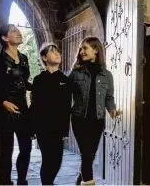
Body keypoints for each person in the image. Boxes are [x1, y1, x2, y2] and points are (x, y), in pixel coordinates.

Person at [69, 37, 121, 185]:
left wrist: (112, 110)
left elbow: (109, 98)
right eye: (81, 49)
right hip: (79, 119)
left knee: (90, 155)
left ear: (96, 50)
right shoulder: (76, 73)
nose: (81, 52)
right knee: (86, 154)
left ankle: (81, 178)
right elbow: (65, 95)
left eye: (85, 48)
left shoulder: (107, 75)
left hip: (98, 120)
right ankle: (88, 182)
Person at [0, 24, 32, 185]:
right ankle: (5, 183)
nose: (19, 32)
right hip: (5, 111)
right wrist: (3, 102)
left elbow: (24, 82)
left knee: (26, 148)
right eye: (14, 31)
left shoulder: (24, 58)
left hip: (22, 109)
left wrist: (42, 87)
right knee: (7, 151)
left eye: (18, 30)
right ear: (5, 38)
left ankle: (21, 181)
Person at [29, 42, 71, 185]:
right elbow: (35, 106)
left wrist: (65, 130)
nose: (57, 53)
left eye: (57, 51)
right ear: (44, 58)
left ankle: (49, 182)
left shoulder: (65, 80)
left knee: (57, 161)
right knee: (48, 159)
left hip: (59, 129)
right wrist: (32, 128)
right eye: (52, 51)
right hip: (43, 128)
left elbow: (66, 108)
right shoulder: (39, 80)